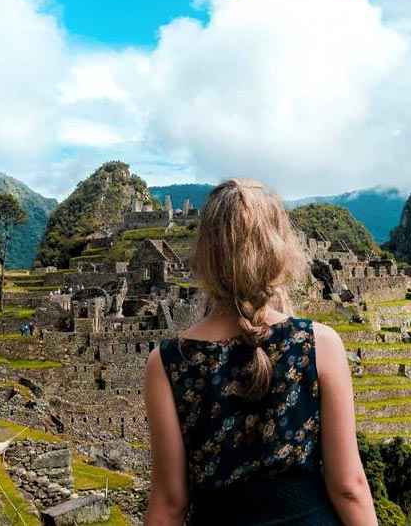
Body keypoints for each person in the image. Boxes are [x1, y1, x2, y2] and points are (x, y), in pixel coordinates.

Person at [144, 178, 376, 526]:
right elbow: (348, 486)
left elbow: (170, 502)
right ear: (278, 250)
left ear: (205, 254)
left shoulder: (167, 363)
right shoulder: (318, 344)